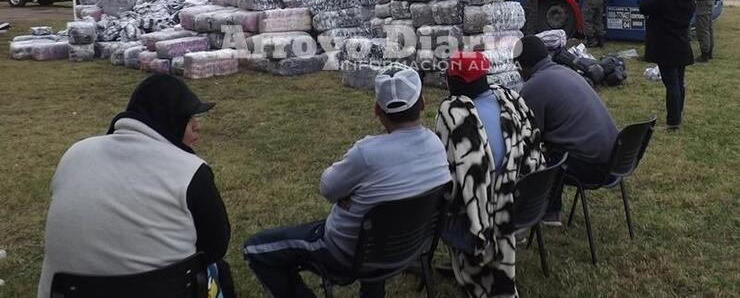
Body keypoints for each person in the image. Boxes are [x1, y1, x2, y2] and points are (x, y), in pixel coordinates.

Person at [244, 63, 450, 298]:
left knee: (255, 248)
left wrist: (352, 196)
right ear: (423, 103)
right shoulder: (436, 144)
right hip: (408, 246)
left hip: (347, 255)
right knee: (379, 219)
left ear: (377, 110)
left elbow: (327, 188)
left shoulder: (367, 153)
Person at [37, 75, 235, 298]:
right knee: (219, 270)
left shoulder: (75, 154)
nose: (197, 128)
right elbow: (215, 246)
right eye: (190, 120)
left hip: (67, 291)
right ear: (171, 121)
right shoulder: (190, 170)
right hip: (165, 289)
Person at [435, 51, 545, 298]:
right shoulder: (510, 98)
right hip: (522, 201)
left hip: (481, 219)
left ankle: (469, 260)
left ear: (456, 82)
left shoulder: (452, 113)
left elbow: (448, 176)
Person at [516, 36, 618, 225]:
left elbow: (528, 136)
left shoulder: (534, 86)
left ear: (522, 66)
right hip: (615, 160)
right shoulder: (565, 71)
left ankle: (548, 212)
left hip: (593, 167)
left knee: (535, 154)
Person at [639, 0, 695, 130]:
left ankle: (673, 121)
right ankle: (678, 113)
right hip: (682, 44)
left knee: (671, 85)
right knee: (679, 83)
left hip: (666, 47)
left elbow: (644, 7)